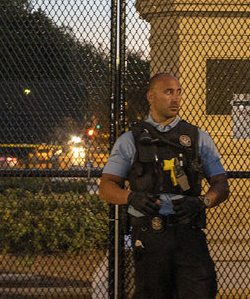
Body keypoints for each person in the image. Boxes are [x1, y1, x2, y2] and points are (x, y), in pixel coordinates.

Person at [98, 73, 229, 299]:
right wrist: (131, 197)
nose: (176, 98)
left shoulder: (198, 138)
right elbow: (106, 187)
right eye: (168, 92)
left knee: (201, 290)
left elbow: (221, 185)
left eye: (179, 92)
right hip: (150, 237)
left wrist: (201, 202)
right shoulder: (131, 140)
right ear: (151, 96)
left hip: (188, 234)